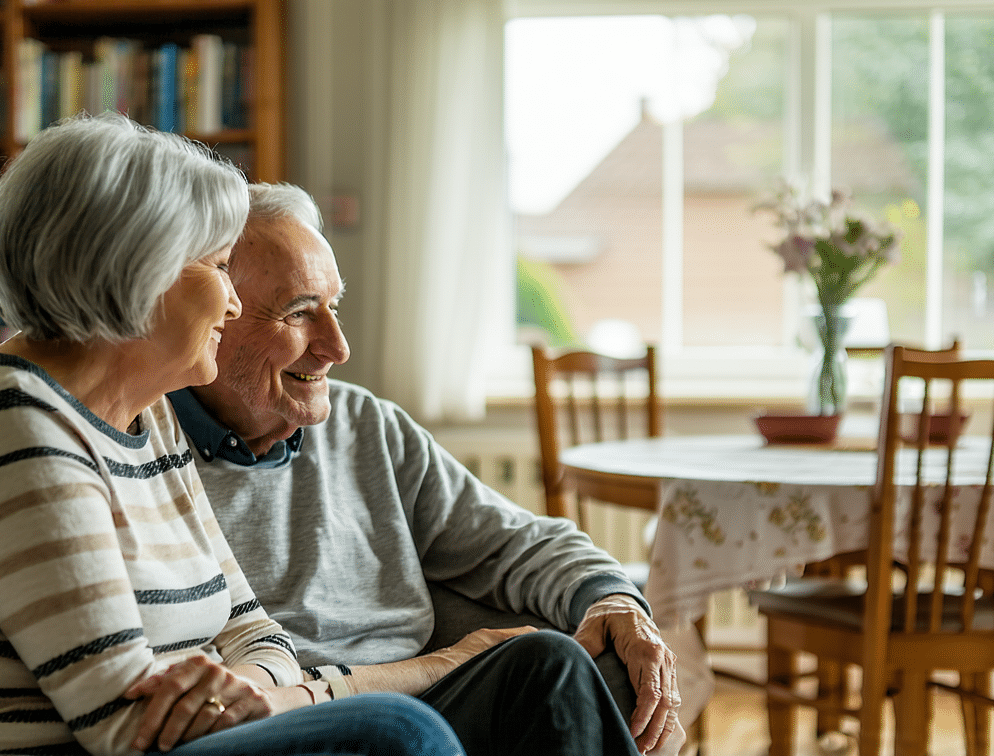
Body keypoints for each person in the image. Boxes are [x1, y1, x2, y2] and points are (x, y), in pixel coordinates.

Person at [0, 114, 465, 756]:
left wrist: (249, 683)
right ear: (136, 273)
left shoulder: (146, 416)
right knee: (398, 732)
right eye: (218, 267)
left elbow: (257, 630)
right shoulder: (13, 423)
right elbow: (123, 728)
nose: (233, 305)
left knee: (528, 673)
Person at [167, 182, 684, 756]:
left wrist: (612, 597)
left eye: (333, 307)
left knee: (559, 663)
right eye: (298, 313)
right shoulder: (149, 450)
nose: (337, 346)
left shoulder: (368, 427)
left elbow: (518, 542)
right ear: (217, 316)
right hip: (285, 724)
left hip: (423, 701)